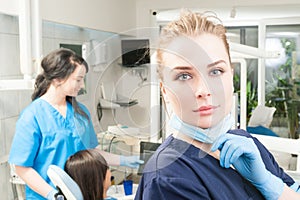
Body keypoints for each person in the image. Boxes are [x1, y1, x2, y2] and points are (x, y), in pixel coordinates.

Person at [135, 10, 300, 200]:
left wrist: (269, 183)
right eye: (184, 76)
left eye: (215, 71)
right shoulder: (168, 177)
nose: (204, 90)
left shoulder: (246, 143)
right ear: (165, 90)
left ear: (231, 75)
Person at [8, 48, 143, 199]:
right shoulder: (32, 116)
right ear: (58, 79)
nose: (82, 85)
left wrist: (124, 160)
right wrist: (52, 194)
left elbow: (92, 152)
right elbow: (22, 168)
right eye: (78, 80)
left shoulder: (80, 113)